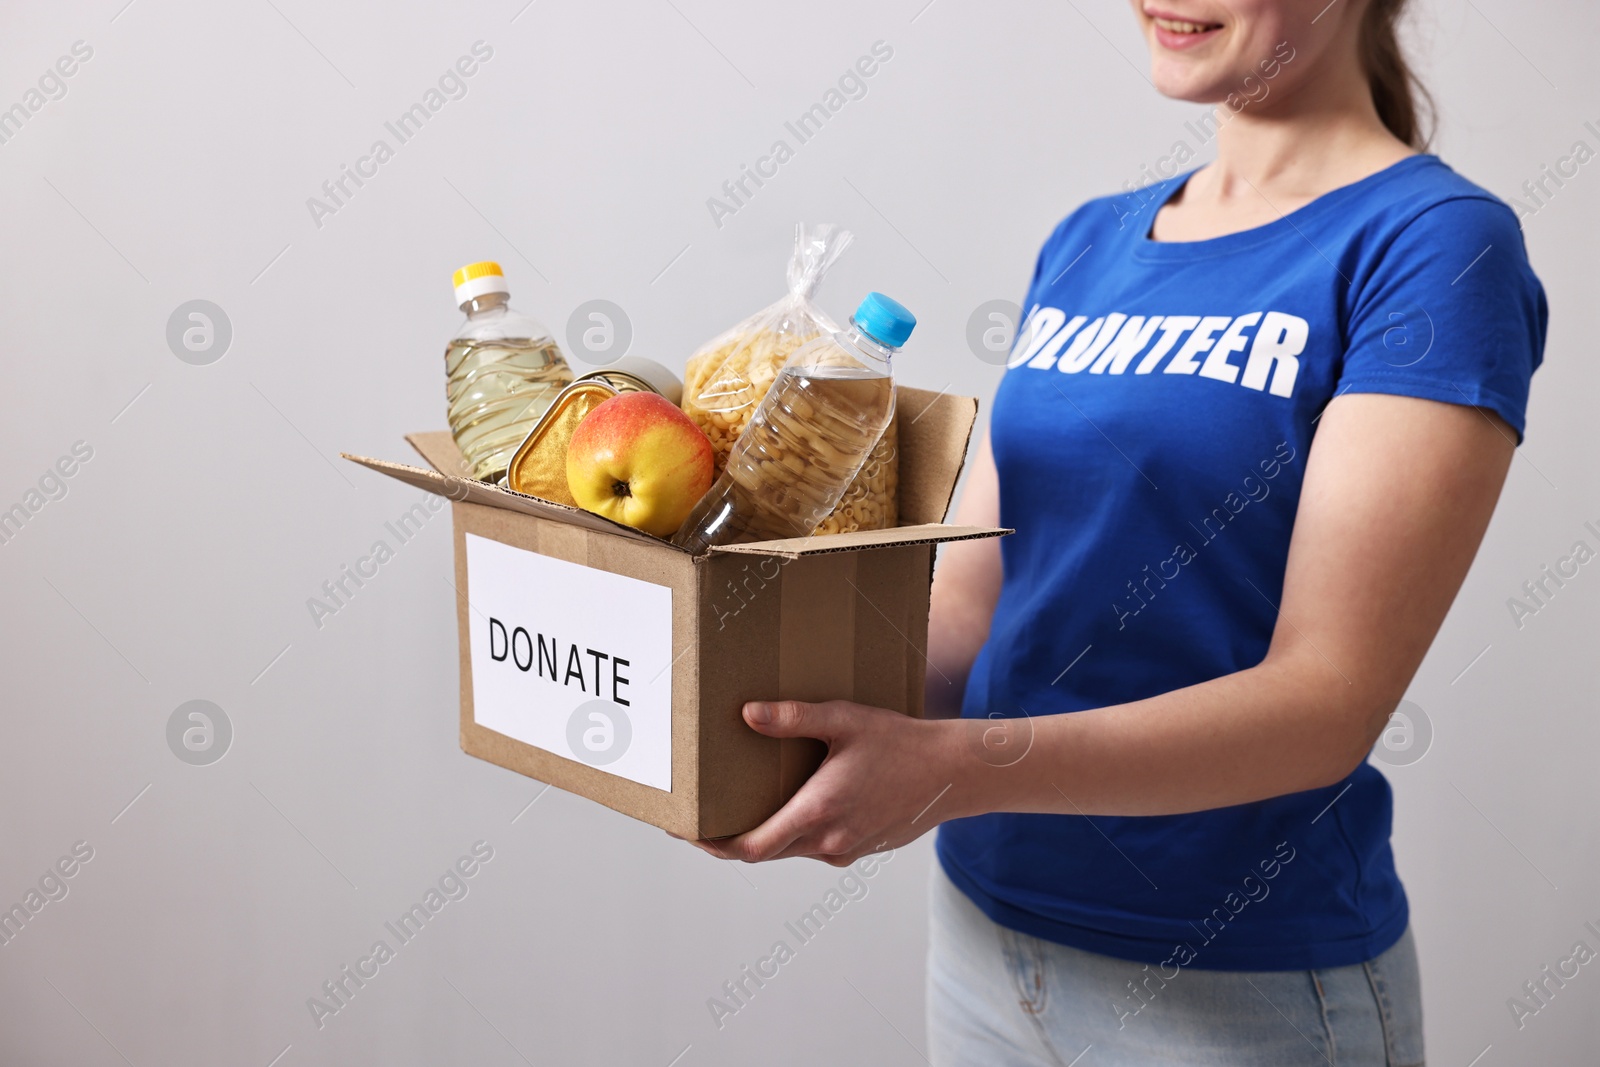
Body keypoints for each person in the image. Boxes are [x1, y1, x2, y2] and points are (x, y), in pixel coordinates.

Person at [682, 0, 1546, 1062]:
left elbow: (1325, 701)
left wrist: (953, 769)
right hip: (985, 941)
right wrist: (734, 710)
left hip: (1242, 987)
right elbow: (970, 604)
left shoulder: (1434, 246)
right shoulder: (1088, 241)